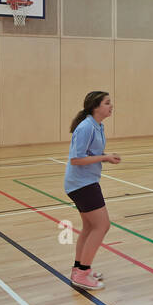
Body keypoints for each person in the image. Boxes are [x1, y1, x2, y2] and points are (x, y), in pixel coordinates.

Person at [65, 91, 120, 290]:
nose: (111, 106)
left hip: (84, 182)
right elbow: (76, 159)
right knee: (102, 226)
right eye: (107, 103)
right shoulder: (86, 127)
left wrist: (106, 155)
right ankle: (81, 273)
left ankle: (80, 270)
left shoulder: (97, 126)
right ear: (96, 107)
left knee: (89, 227)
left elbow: (90, 153)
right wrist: (104, 158)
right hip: (81, 184)